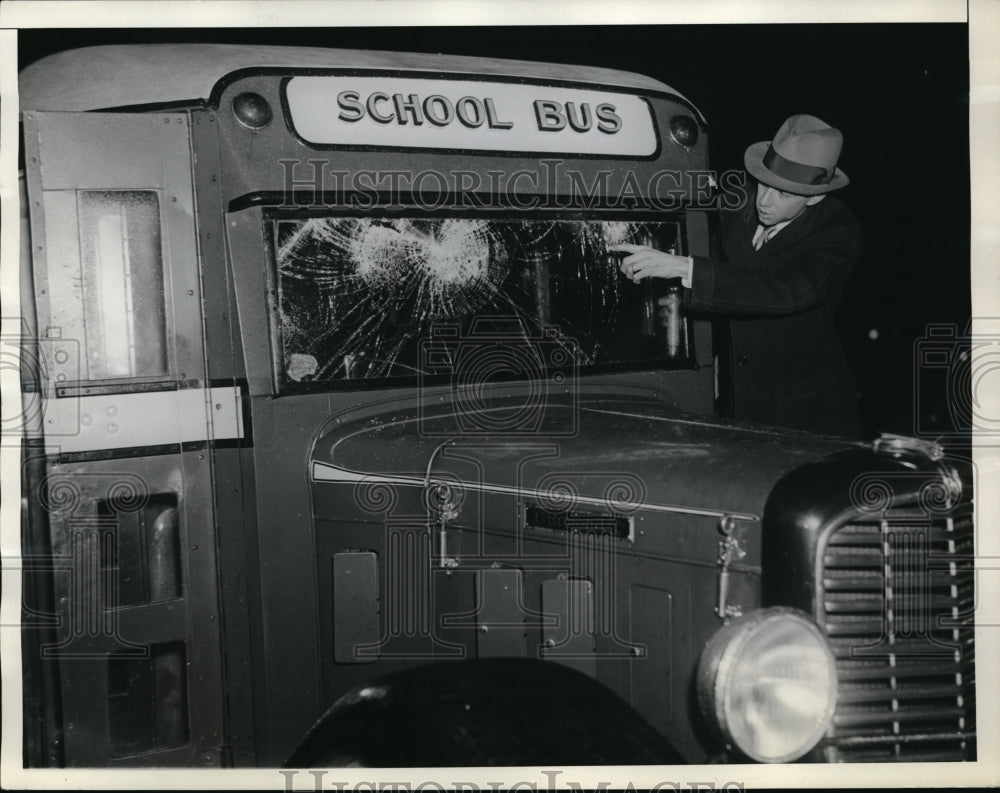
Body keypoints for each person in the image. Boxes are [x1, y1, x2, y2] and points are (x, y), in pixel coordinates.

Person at [611, 114, 863, 437]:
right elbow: (716, 268)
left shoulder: (838, 230)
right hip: (738, 404)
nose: (765, 201)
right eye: (764, 184)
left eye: (783, 195)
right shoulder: (739, 204)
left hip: (803, 416)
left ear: (814, 197)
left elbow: (787, 289)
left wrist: (683, 267)